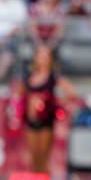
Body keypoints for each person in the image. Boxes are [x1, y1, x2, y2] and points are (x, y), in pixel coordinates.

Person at [18, 44, 75, 172]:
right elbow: (20, 93)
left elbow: (71, 93)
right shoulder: (29, 76)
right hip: (30, 121)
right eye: (39, 54)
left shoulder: (53, 77)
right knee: (33, 159)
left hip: (46, 121)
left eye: (45, 55)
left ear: (50, 58)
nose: (42, 58)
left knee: (43, 159)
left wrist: (55, 103)